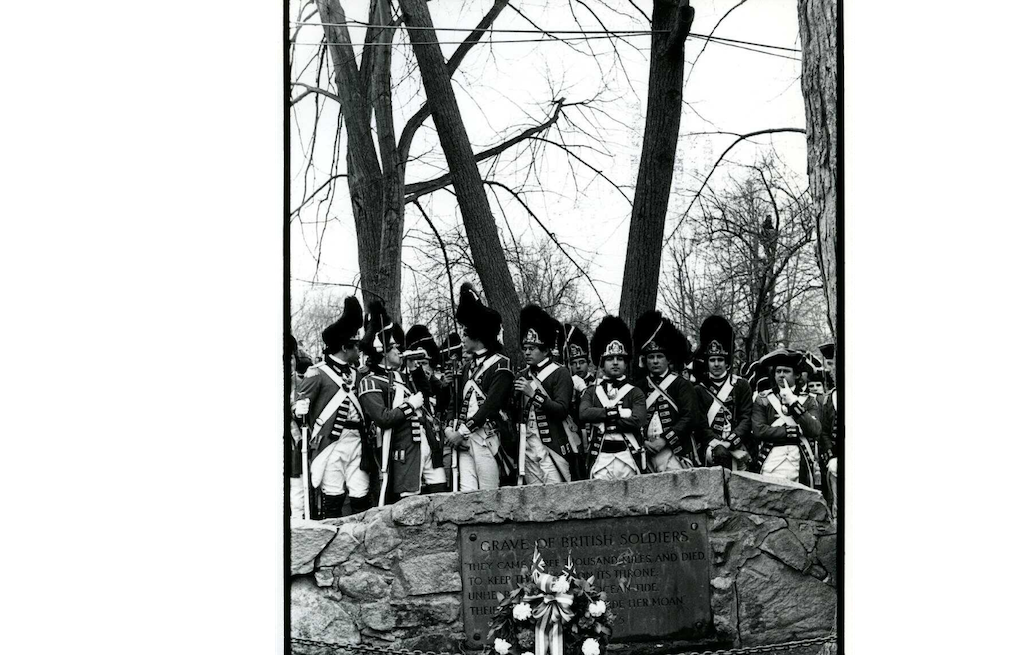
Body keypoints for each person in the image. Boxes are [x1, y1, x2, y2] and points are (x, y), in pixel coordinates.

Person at [358, 302, 447, 505]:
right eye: (394, 348)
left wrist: (415, 369)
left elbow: (427, 395)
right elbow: (383, 418)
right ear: (382, 353)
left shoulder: (401, 377)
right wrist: (409, 406)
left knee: (442, 498)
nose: (399, 351)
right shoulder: (369, 382)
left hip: (428, 444)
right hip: (404, 450)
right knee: (410, 504)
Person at [292, 296, 373, 518]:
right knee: (333, 495)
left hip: (358, 439)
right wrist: (300, 409)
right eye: (356, 346)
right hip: (331, 443)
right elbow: (299, 405)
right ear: (346, 347)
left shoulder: (357, 374)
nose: (359, 350)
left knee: (360, 494)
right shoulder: (317, 372)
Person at [444, 283, 516, 491]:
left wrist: (462, 431)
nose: (463, 339)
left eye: (466, 334)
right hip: (464, 440)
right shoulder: (466, 367)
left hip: (488, 438)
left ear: (478, 335)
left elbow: (491, 405)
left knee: (489, 493)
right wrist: (450, 429)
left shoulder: (502, 365)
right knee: (467, 493)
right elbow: (454, 402)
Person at [514, 304, 578, 485]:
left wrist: (533, 394)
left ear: (546, 349)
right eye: (525, 347)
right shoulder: (522, 375)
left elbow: (562, 410)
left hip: (553, 446)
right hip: (527, 445)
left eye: (533, 348)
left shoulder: (560, 373)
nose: (527, 352)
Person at [633, 309, 704, 471]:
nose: (655, 361)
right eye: (651, 357)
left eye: (660, 356)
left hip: (676, 451)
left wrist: (665, 440)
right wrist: (643, 441)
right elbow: (633, 420)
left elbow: (690, 417)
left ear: (668, 359)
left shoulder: (681, 385)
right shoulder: (639, 387)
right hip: (646, 453)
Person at [579, 316, 647, 480]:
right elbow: (584, 413)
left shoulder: (635, 392)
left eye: (620, 359)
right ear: (602, 363)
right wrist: (618, 413)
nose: (615, 363)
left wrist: (602, 417)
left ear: (626, 362)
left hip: (628, 457)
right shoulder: (592, 391)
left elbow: (638, 420)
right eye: (610, 358)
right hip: (600, 457)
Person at [751, 349, 822, 486]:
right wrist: (792, 431)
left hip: (800, 459)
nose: (781, 375)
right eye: (778, 371)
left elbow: (815, 430)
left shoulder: (809, 400)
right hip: (771, 458)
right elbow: (759, 430)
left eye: (786, 371)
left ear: (796, 375)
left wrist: (793, 403)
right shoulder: (763, 399)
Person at [693, 316, 754, 471]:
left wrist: (730, 443)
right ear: (707, 362)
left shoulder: (741, 385)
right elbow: (700, 424)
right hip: (710, 446)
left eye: (720, 359)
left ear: (727, 362)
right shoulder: (698, 390)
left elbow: (746, 419)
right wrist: (718, 444)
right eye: (712, 359)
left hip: (739, 444)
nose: (716, 364)